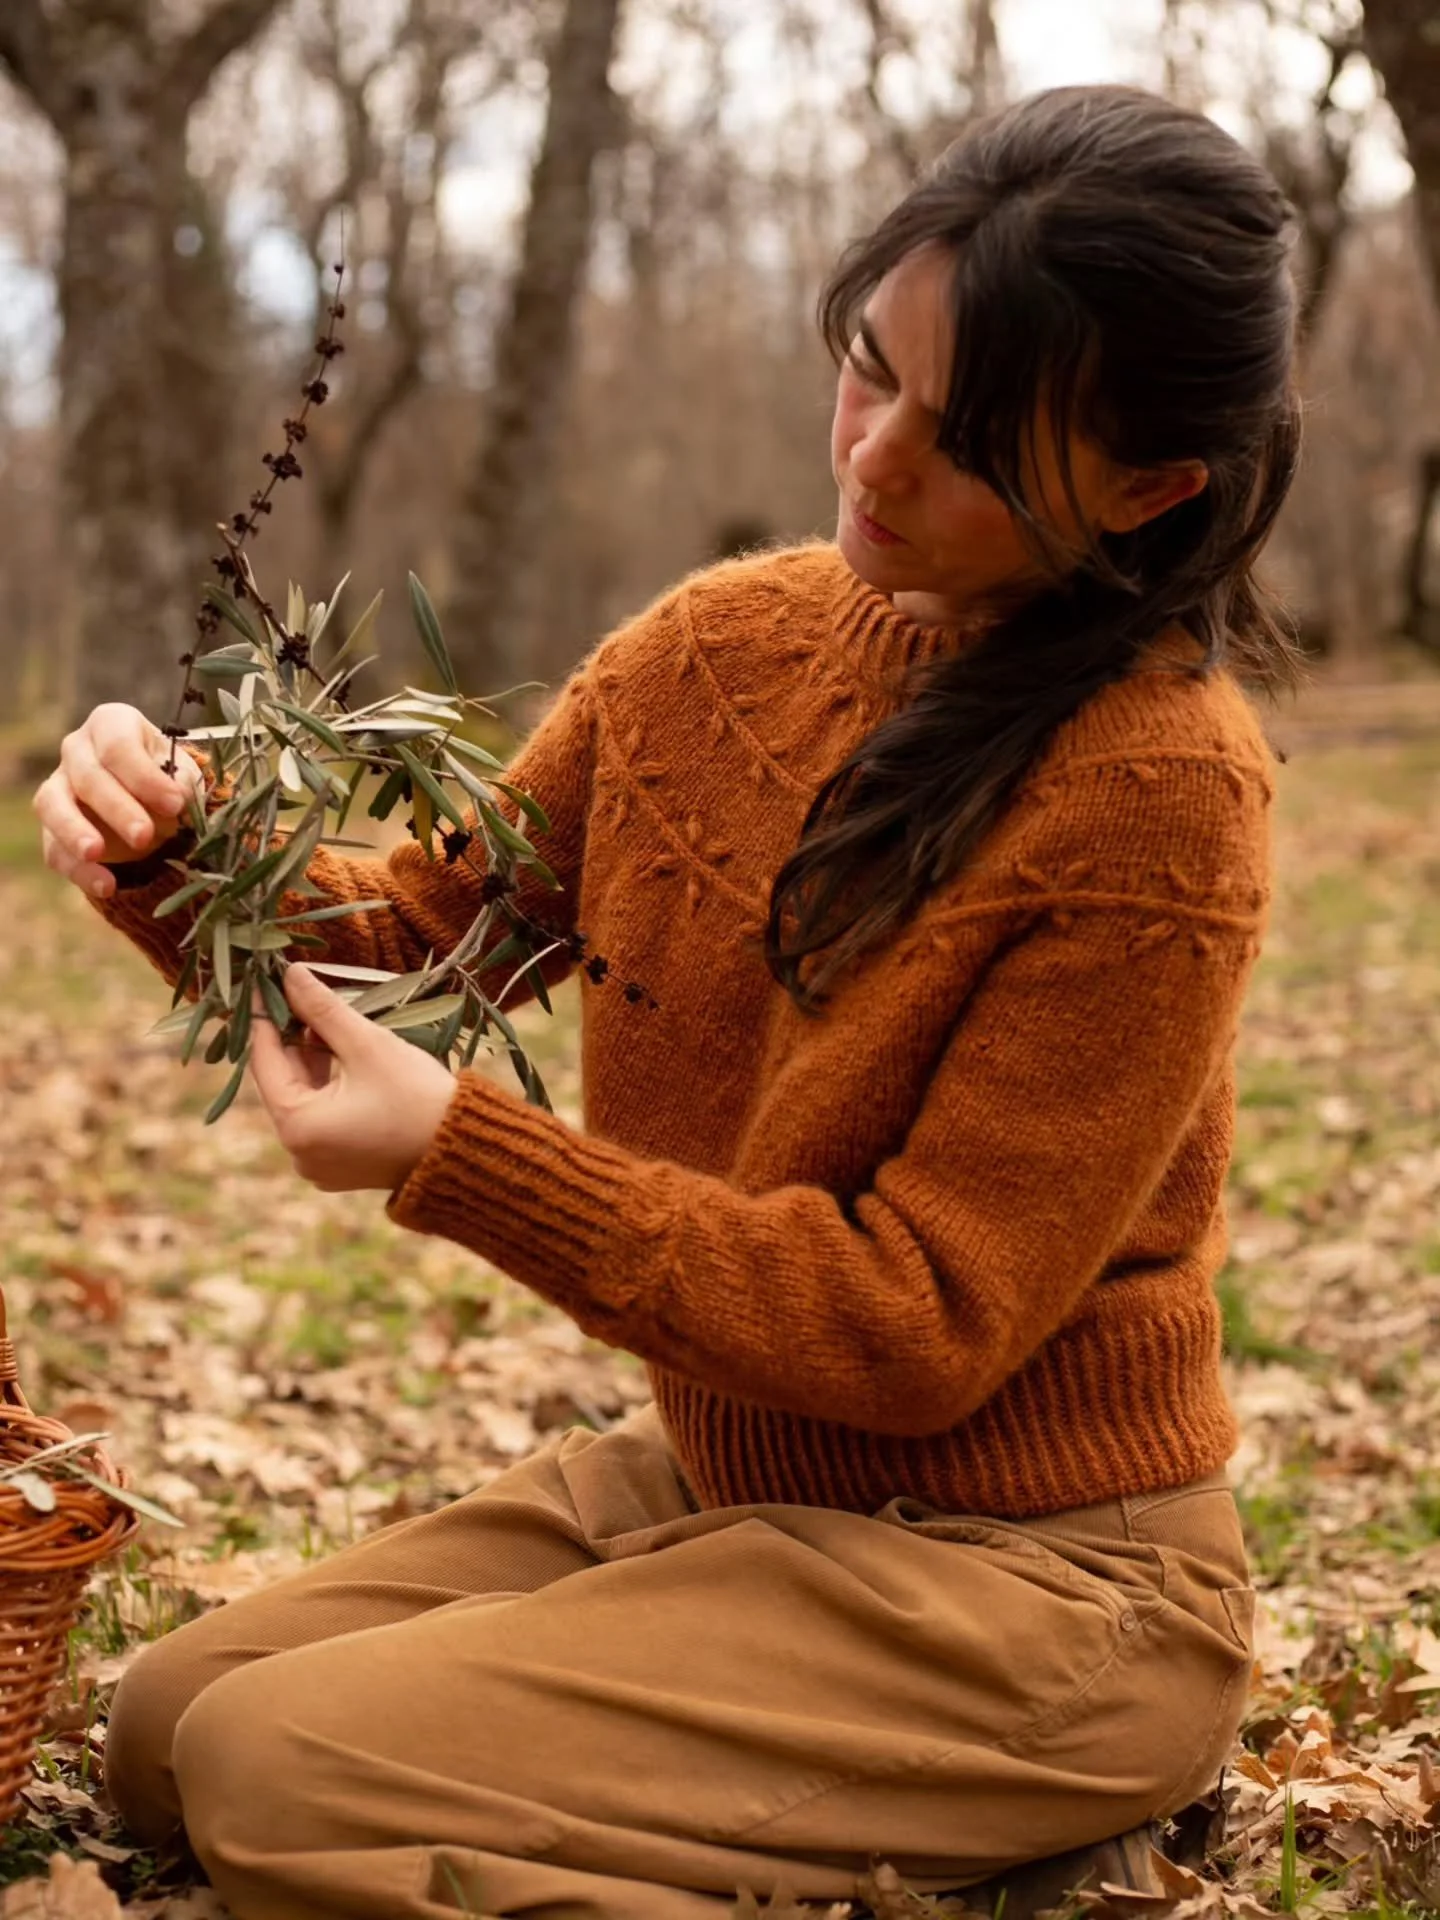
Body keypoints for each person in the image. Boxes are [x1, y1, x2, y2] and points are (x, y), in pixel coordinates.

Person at [34, 84, 1300, 1920]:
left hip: (1037, 1588)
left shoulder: (1160, 791)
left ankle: (1016, 1824)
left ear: (1151, 487)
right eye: (869, 370)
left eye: (974, 442)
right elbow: (436, 937)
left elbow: (917, 1320)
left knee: (275, 1781)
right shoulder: (719, 649)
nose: (873, 460)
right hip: (730, 1489)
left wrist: (469, 1161)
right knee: (171, 1724)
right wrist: (179, 851)